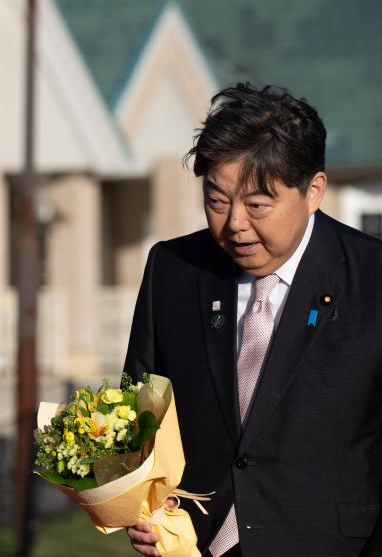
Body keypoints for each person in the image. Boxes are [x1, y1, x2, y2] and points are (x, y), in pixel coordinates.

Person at [124, 83, 382, 557]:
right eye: (217, 201)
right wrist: (137, 509)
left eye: (258, 204)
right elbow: (139, 410)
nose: (236, 223)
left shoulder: (373, 280)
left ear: (313, 191)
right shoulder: (174, 270)